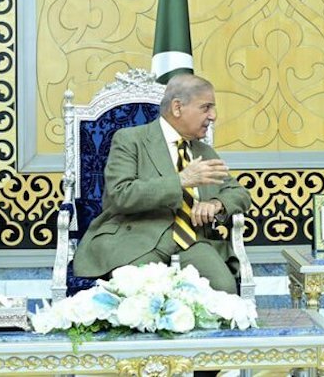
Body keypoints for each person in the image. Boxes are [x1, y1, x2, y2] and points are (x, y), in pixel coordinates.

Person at [73, 74, 251, 296]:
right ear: (177, 107)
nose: (213, 116)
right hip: (138, 237)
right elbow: (120, 195)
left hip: (193, 240)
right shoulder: (131, 140)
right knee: (141, 297)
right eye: (206, 107)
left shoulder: (203, 151)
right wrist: (181, 180)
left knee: (224, 291)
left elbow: (239, 193)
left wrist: (216, 203)